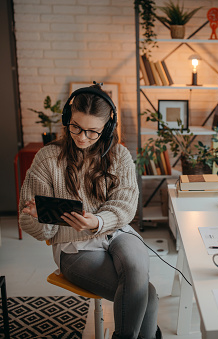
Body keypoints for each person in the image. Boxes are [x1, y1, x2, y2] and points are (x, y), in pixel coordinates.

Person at [19, 84, 161, 339]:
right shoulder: (47, 158)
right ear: (67, 119)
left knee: (137, 268)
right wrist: (40, 219)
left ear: (106, 129)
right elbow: (35, 224)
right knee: (147, 295)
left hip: (116, 232)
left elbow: (126, 204)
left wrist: (96, 221)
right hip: (74, 247)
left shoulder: (119, 155)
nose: (82, 137)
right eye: (75, 126)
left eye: (92, 131)